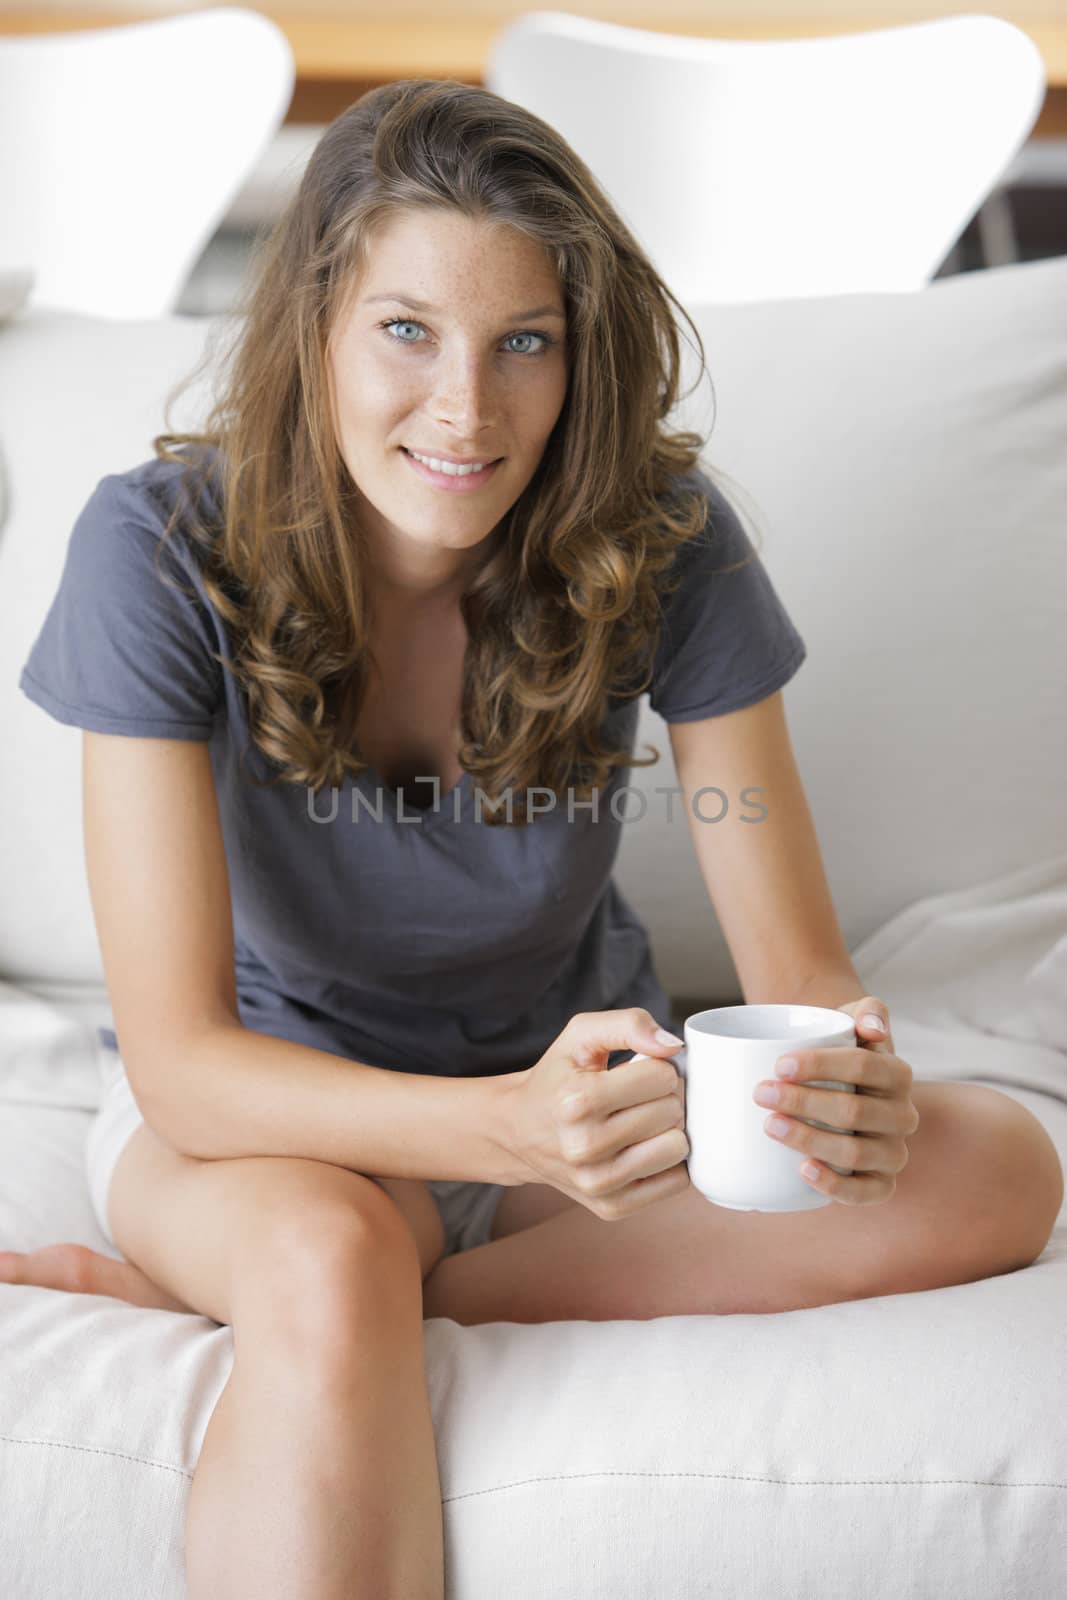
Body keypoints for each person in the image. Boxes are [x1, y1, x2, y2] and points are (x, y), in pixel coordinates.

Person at [6, 76, 1059, 1600]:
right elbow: (179, 1059)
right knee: (327, 1255)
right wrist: (498, 1127)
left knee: (998, 1170)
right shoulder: (158, 550)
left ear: (579, 360)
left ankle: (415, 1290)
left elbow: (801, 970)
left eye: (525, 344)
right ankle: (316, 1279)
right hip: (267, 1127)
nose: (467, 411)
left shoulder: (663, 543)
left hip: (584, 1125)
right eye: (407, 332)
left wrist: (846, 1074)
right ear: (314, 328)